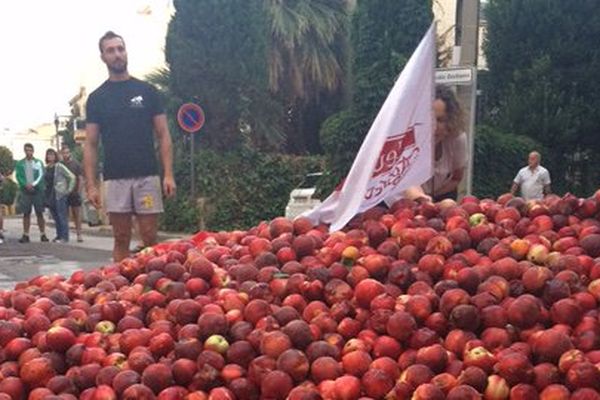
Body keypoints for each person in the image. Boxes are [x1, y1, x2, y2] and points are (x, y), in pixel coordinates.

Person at [84, 31, 176, 262]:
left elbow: (163, 134)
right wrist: (91, 185)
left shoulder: (147, 92)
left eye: (120, 49)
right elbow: (91, 144)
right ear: (103, 57)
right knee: (121, 237)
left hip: (147, 176)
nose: (117, 54)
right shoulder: (97, 98)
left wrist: (168, 174)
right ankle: (121, 291)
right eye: (111, 50)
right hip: (115, 179)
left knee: (150, 237)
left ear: (125, 52)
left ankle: (153, 287)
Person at [403, 85, 467, 202]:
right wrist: (422, 199)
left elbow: (456, 178)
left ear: (451, 121)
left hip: (438, 196)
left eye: (440, 120)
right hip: (402, 201)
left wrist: (435, 198)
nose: (434, 127)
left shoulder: (457, 139)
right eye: (428, 119)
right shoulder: (406, 139)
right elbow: (404, 180)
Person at [15, 143, 48, 243]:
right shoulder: (20, 164)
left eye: (30, 150)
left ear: (33, 151)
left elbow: (41, 175)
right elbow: (19, 176)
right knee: (26, 213)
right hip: (25, 191)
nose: (28, 152)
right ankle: (26, 234)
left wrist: (34, 185)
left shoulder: (38, 162)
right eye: (27, 150)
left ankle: (43, 234)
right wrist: (26, 185)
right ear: (24, 151)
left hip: (37, 191)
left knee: (39, 213)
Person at [44, 149, 76, 242]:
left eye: (52, 155)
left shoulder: (59, 166)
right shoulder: (47, 168)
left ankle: (64, 237)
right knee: (55, 216)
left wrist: (68, 190)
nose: (50, 157)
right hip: (50, 194)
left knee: (62, 215)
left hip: (60, 193)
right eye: (48, 155)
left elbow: (72, 177)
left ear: (56, 156)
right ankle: (59, 235)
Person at [61, 145, 84, 242]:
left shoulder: (76, 164)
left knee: (76, 214)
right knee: (64, 214)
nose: (66, 154)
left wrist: (78, 190)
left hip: (74, 192)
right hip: (63, 193)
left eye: (67, 152)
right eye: (64, 153)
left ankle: (79, 234)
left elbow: (80, 178)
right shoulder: (60, 165)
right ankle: (65, 235)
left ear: (70, 153)